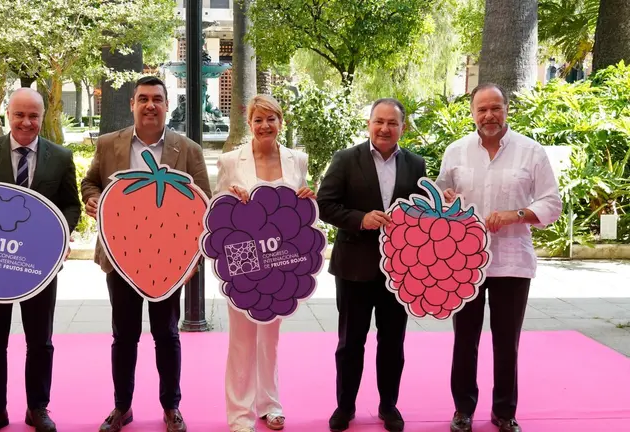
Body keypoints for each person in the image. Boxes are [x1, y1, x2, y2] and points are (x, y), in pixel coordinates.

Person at [80, 76, 212, 432]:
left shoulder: (188, 149)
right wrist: (93, 198)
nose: (150, 105)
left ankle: (171, 407)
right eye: (143, 99)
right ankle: (122, 406)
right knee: (124, 336)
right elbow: (90, 181)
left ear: (167, 105)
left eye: (157, 99)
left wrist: (192, 261)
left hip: (169, 262)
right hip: (119, 257)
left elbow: (204, 208)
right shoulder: (109, 144)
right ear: (132, 104)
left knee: (167, 335)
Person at [436, 83, 562, 432]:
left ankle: (504, 412)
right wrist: (445, 196)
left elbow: (552, 203)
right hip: (464, 262)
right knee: (465, 341)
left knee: (507, 342)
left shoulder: (530, 151)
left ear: (507, 109)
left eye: (495, 108)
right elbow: (441, 195)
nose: (489, 115)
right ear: (472, 113)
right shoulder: (456, 151)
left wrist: (516, 214)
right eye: (482, 109)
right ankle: (463, 410)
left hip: (512, 261)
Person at [0, 87, 82, 432]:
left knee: (40, 342)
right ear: (8, 115)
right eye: (19, 115)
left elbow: (70, 205)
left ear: (43, 117)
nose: (26, 122)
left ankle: (37, 409)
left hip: (39, 266)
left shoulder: (60, 157)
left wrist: (61, 233)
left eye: (33, 116)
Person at [316, 98, 427, 432]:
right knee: (350, 342)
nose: (385, 128)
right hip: (354, 268)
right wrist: (360, 219)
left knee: (393, 343)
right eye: (379, 121)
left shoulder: (416, 164)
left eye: (392, 123)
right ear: (369, 124)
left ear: (402, 128)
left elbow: (421, 212)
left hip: (400, 271)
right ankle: (345, 406)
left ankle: (388, 406)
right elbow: (325, 205)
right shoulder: (346, 159)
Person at [215, 94, 316, 432]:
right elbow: (217, 208)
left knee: (270, 338)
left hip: (281, 260)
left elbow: (300, 208)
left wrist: (307, 196)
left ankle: (270, 404)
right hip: (243, 258)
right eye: (258, 120)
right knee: (241, 339)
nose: (264, 126)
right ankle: (239, 415)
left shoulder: (297, 160)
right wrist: (230, 195)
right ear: (249, 124)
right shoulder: (231, 161)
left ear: (280, 122)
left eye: (271, 119)